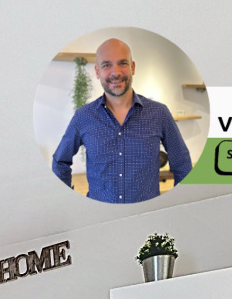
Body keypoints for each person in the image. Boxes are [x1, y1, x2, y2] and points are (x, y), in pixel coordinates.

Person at [51, 39, 192, 204]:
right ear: (97, 71)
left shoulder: (159, 113)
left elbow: (182, 163)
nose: (115, 72)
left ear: (133, 67)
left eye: (122, 63)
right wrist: (69, 203)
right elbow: (60, 162)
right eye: (106, 65)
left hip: (147, 212)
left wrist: (179, 204)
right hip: (100, 214)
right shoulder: (83, 117)